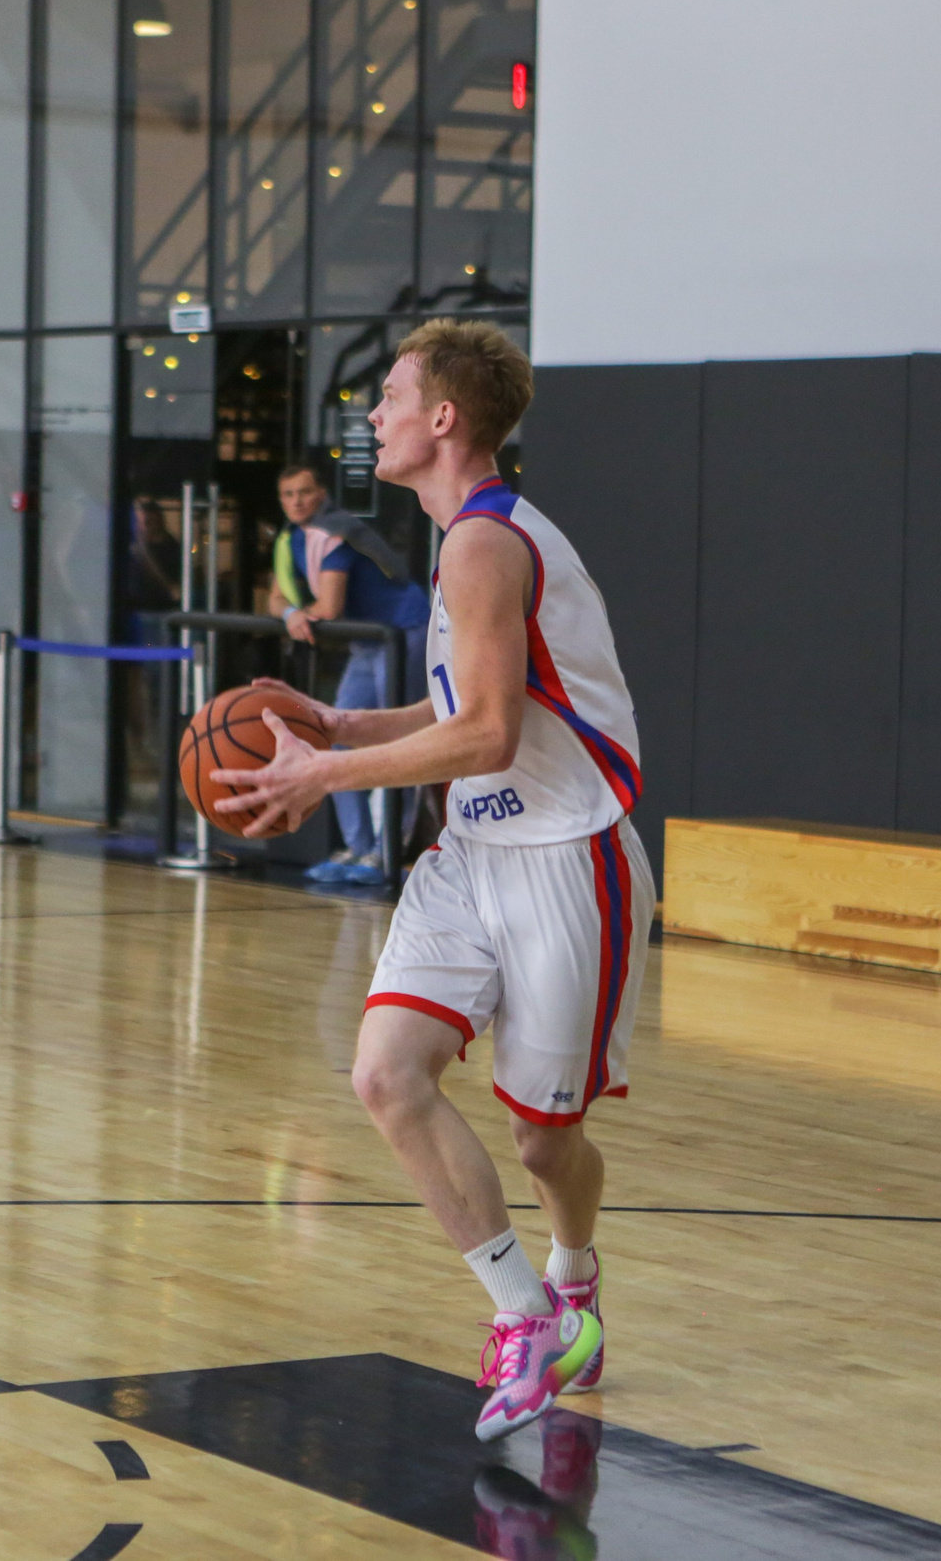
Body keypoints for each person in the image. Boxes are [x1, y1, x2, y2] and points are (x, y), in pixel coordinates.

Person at [215, 320, 647, 1441]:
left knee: (548, 1140)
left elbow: (493, 734)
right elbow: (464, 706)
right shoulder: (462, 537)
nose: (373, 417)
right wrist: (347, 721)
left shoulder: (484, 547)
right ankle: (525, 1317)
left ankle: (574, 1270)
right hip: (470, 854)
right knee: (384, 1078)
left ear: (442, 418)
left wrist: (329, 768)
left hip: (568, 853)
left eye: (390, 397)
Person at [264, 460, 430, 884]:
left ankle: (385, 852)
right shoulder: (292, 538)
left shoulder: (334, 530)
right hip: (367, 641)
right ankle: (356, 848)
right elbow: (275, 596)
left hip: (402, 631)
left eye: (304, 492)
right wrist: (289, 613)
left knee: (397, 739)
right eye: (288, 495)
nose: (296, 501)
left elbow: (330, 607)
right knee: (335, 733)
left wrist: (301, 616)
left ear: (321, 494)